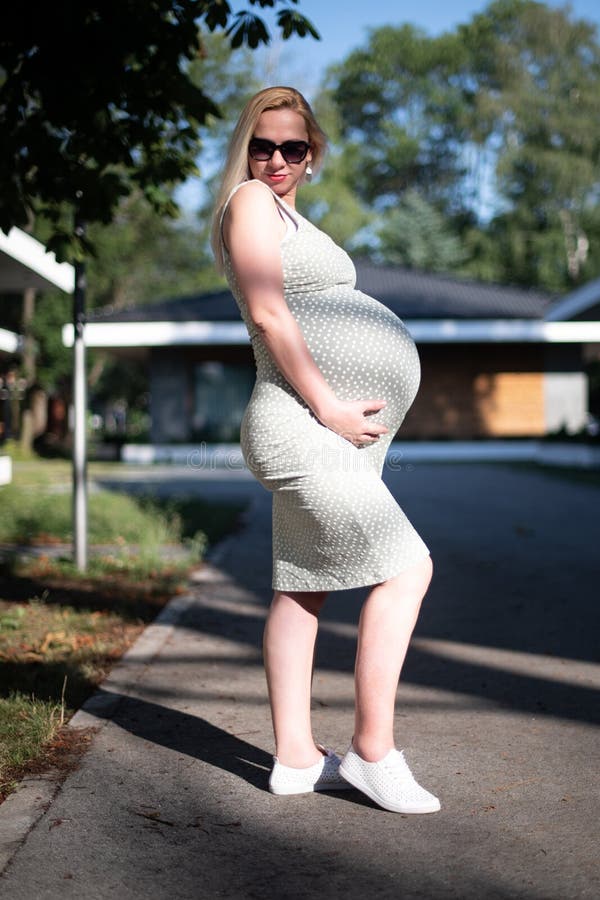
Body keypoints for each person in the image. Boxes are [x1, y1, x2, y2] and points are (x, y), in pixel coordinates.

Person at [211, 86, 440, 814]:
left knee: (300, 585)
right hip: (302, 422)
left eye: (293, 148)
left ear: (312, 157)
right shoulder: (248, 201)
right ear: (246, 149)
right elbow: (270, 311)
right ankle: (374, 753)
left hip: (326, 429)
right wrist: (331, 405)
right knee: (408, 569)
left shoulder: (289, 213)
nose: (276, 159)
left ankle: (296, 758)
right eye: (263, 145)